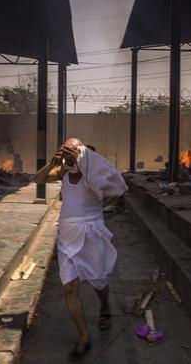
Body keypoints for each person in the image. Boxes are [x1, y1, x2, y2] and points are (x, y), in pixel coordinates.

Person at [34, 138, 127, 357]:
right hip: (67, 237)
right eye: (65, 150)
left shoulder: (93, 175)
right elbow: (38, 179)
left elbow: (117, 185)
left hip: (91, 235)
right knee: (69, 286)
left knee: (98, 281)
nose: (68, 155)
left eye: (73, 151)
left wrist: (85, 161)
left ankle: (105, 306)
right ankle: (84, 335)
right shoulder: (64, 172)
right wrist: (51, 163)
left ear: (83, 153)